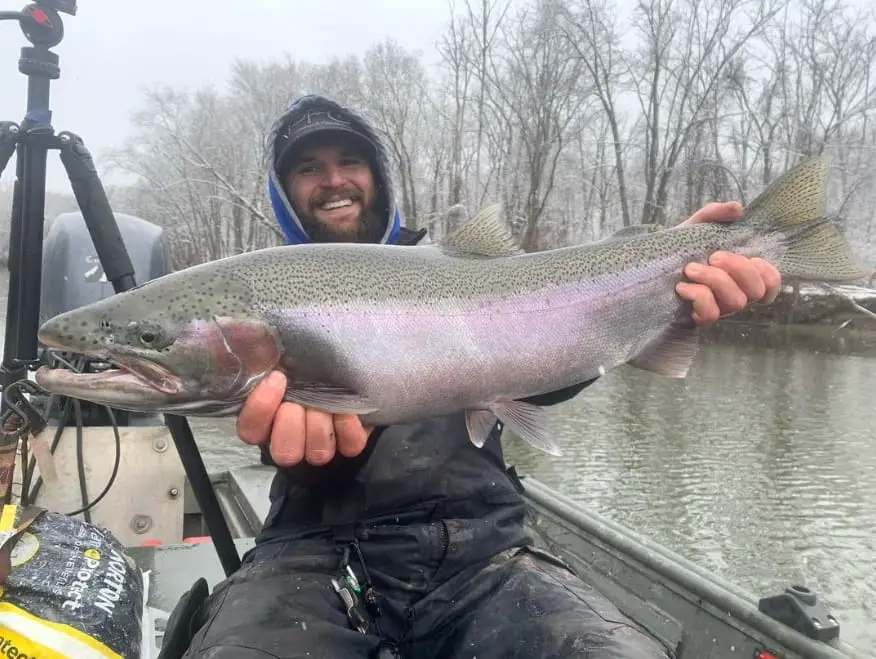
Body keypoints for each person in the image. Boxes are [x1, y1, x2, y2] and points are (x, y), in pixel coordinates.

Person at [178, 94, 781, 658]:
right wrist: (313, 456)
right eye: (308, 167)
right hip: (308, 553)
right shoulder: (259, 291)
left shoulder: (461, 271)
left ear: (379, 178)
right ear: (284, 193)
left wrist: (673, 262)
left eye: (350, 160)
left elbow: (540, 348)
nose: (334, 179)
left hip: (484, 551)